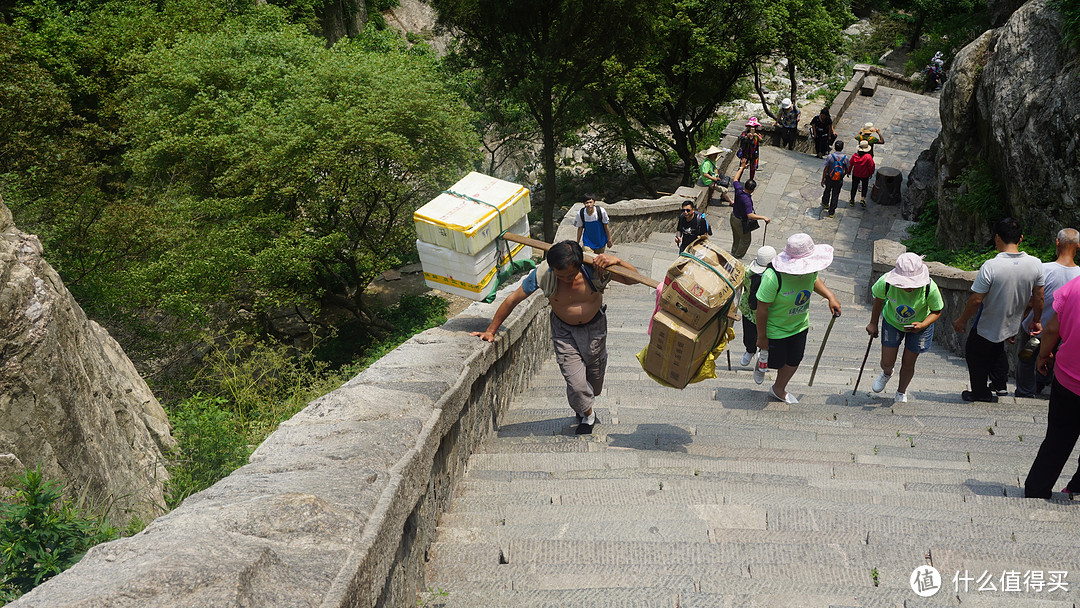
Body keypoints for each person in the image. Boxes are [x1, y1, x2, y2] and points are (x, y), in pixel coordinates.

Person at [471, 241, 639, 434]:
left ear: (578, 266)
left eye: (570, 275)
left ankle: (583, 403)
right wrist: (491, 330)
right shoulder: (544, 274)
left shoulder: (594, 269)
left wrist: (617, 261)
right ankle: (587, 415)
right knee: (576, 384)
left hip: (595, 330)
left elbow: (633, 279)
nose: (565, 280)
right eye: (560, 275)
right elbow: (513, 299)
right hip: (564, 332)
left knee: (595, 383)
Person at [952, 217, 1045, 402]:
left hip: (988, 322)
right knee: (997, 349)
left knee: (974, 352)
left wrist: (962, 320)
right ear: (1021, 239)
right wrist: (1036, 319)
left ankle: (980, 393)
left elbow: (977, 299)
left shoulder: (991, 266)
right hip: (1012, 322)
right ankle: (1001, 386)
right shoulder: (1035, 264)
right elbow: (1039, 297)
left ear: (997, 238)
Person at [754, 233, 842, 404]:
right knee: (776, 361)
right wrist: (762, 337)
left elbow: (814, 278)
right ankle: (762, 360)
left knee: (794, 359)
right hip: (775, 329)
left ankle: (778, 388)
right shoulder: (773, 277)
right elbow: (762, 308)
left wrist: (830, 296)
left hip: (799, 325)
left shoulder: (810, 270)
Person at [1023, 275, 1080, 498]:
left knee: (1058, 436)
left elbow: (1051, 330)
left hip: (1069, 378)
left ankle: (1037, 489)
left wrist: (1043, 356)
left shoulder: (1074, 287)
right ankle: (1076, 486)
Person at [865, 253, 944, 403]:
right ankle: (887, 373)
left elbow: (936, 311)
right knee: (886, 361)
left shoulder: (929, 288)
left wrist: (923, 324)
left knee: (909, 362)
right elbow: (879, 301)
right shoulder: (886, 282)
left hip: (920, 326)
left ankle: (901, 391)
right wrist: (873, 323)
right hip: (892, 322)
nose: (908, 287)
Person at [1016, 228, 1080, 397]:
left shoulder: (1044, 269)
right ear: (1078, 246)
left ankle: (1025, 391)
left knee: (1026, 358)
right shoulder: (1079, 275)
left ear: (1057, 243)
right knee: (1055, 359)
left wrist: (1022, 317)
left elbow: (1032, 299)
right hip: (1063, 332)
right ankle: (1044, 384)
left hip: (1034, 329)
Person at [739, 245, 777, 366]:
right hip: (749, 310)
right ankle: (750, 350)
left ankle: (764, 355)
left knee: (767, 336)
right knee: (749, 335)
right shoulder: (747, 273)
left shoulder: (776, 278)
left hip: (768, 312)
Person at [729, 158, 770, 258]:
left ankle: (733, 253)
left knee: (737, 237)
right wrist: (763, 217)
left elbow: (735, 179)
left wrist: (741, 167)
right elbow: (750, 215)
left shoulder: (739, 190)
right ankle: (737, 257)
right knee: (746, 240)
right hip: (740, 221)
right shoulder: (747, 200)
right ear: (752, 190)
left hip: (733, 217)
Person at [820, 141, 849, 218]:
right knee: (835, 194)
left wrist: (823, 179)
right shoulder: (845, 158)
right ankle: (831, 212)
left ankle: (825, 203)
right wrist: (842, 175)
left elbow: (826, 169)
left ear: (835, 147)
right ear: (842, 148)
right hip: (839, 179)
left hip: (829, 177)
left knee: (827, 190)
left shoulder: (830, 156)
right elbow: (847, 170)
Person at [849, 140, 876, 208]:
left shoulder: (854, 156)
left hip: (856, 174)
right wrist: (871, 173)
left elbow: (850, 164)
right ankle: (862, 199)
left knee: (854, 187)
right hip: (865, 175)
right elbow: (872, 166)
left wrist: (848, 172)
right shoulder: (868, 157)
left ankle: (852, 200)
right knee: (864, 187)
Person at [737, 117, 764, 183]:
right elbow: (742, 139)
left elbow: (761, 141)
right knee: (742, 166)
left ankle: (751, 180)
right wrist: (747, 136)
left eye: (754, 127)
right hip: (745, 154)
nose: (753, 128)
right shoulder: (745, 133)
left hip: (754, 154)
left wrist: (756, 136)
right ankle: (737, 179)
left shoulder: (758, 134)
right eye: (751, 127)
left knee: (752, 168)